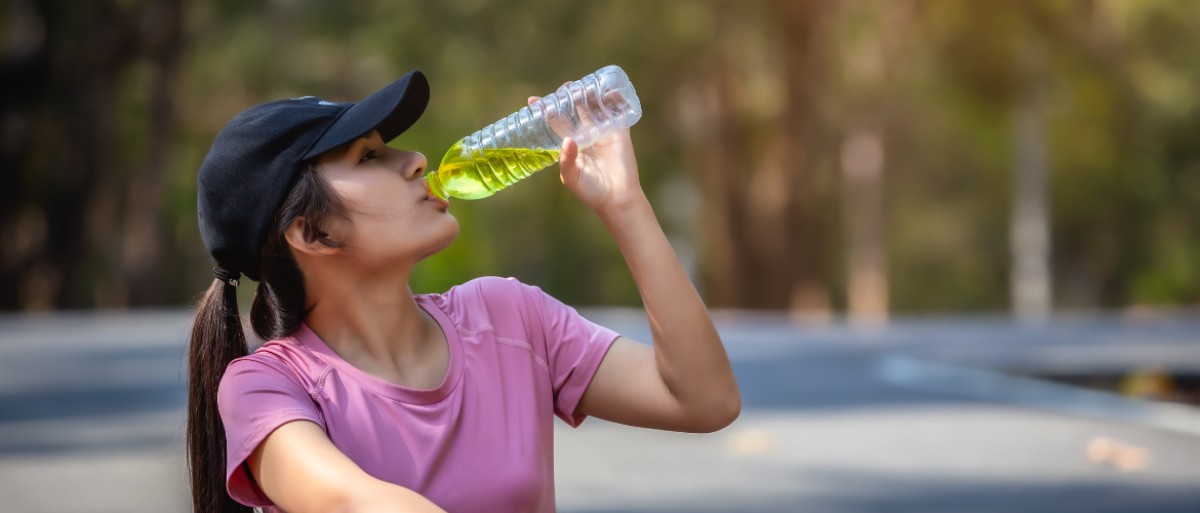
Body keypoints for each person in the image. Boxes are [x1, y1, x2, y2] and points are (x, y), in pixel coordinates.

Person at [187, 69, 741, 513]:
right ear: (311, 232)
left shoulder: (508, 317)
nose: (418, 161)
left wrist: (626, 206)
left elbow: (703, 399)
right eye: (370, 157)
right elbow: (354, 502)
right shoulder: (267, 387)